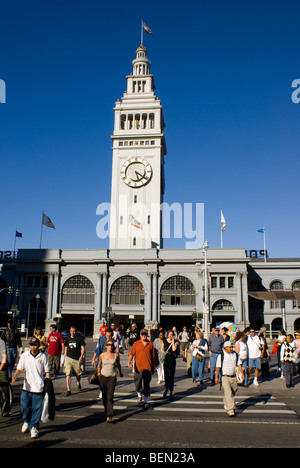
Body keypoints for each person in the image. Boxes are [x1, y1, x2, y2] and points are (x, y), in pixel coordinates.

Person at [12, 337, 51, 439]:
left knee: (36, 409)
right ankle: (26, 421)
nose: (32, 347)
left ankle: (34, 426)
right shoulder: (25, 355)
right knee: (25, 406)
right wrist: (15, 376)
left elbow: (47, 372)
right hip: (27, 387)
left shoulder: (43, 357)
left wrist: (48, 385)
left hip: (38, 387)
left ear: (38, 346)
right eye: (31, 345)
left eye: (34, 345)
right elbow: (19, 368)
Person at [128, 328, 156, 410]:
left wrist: (153, 367)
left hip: (148, 367)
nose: (144, 335)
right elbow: (131, 353)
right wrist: (129, 362)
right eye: (142, 334)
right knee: (138, 382)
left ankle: (145, 401)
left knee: (146, 384)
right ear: (140, 335)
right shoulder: (136, 344)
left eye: (145, 334)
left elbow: (153, 357)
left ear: (147, 335)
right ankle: (139, 395)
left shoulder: (150, 344)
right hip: (138, 367)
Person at [215, 341, 243, 417]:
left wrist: (242, 374)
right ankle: (231, 409)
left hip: (233, 377)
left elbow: (239, 365)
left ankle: (227, 402)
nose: (231, 348)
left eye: (232, 347)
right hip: (225, 377)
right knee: (228, 392)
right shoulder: (221, 356)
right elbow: (218, 367)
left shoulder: (235, 355)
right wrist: (216, 377)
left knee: (233, 391)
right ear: (225, 348)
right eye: (230, 347)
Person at [97, 339, 123, 423]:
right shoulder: (102, 355)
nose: (110, 346)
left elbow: (118, 365)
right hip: (103, 377)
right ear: (105, 346)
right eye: (108, 344)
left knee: (110, 396)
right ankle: (106, 410)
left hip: (112, 377)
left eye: (111, 345)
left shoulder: (116, 355)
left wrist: (120, 372)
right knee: (104, 396)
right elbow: (99, 365)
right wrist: (98, 374)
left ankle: (109, 415)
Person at [63, 326, 85, 396]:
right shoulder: (67, 339)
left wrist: (81, 356)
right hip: (68, 358)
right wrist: (65, 357)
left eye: (74, 331)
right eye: (72, 331)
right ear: (70, 331)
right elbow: (66, 348)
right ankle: (68, 389)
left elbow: (82, 348)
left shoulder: (79, 339)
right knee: (68, 373)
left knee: (78, 374)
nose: (73, 333)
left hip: (76, 359)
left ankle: (78, 382)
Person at [161, 329, 179, 399]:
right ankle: (166, 388)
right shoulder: (164, 341)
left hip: (172, 359)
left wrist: (173, 341)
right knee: (166, 374)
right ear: (167, 335)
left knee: (171, 375)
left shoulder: (176, 342)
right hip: (166, 359)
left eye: (171, 335)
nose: (170, 336)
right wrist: (164, 353)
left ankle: (171, 391)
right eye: (169, 334)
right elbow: (161, 349)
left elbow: (174, 349)